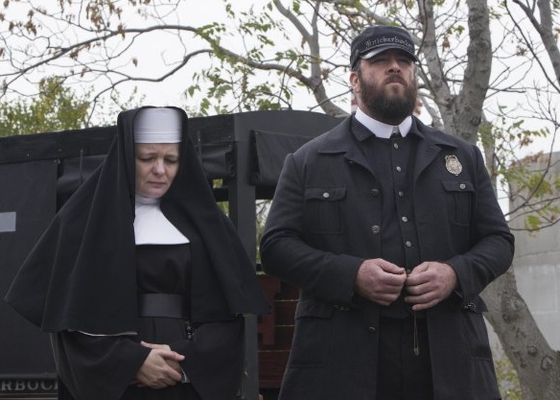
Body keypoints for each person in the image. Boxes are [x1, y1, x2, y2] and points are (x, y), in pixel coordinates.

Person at [260, 25, 514, 400]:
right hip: (341, 362)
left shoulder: (462, 156)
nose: (395, 67)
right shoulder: (308, 160)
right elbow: (276, 247)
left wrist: (455, 274)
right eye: (380, 61)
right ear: (354, 79)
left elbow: (499, 241)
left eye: (404, 61)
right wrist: (351, 275)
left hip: (450, 361)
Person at [5, 107, 270, 400]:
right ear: (127, 157)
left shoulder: (209, 227)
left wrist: (185, 363)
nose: (160, 170)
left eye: (171, 160)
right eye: (147, 158)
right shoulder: (83, 223)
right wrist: (132, 363)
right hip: (117, 385)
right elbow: (69, 322)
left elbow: (228, 321)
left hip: (188, 381)